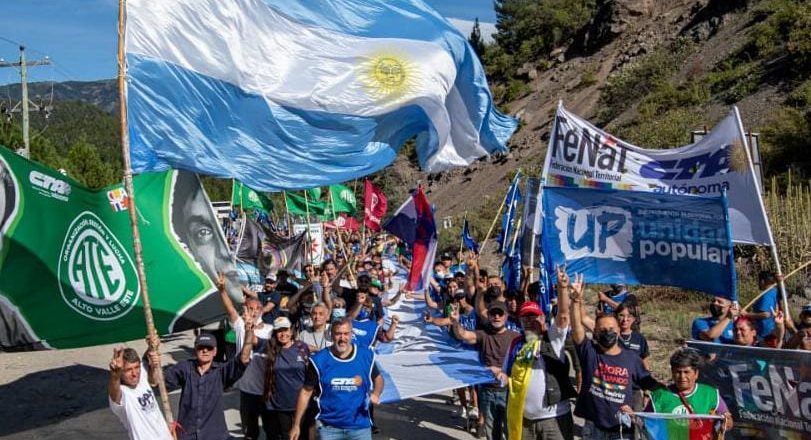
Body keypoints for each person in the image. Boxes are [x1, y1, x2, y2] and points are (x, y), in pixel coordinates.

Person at [569, 269, 660, 439]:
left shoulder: (631, 359)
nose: (607, 332)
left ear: (619, 330)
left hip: (621, 430)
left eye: (611, 329)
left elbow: (651, 384)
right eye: (602, 329)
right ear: (595, 332)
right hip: (594, 428)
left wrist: (680, 392)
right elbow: (576, 328)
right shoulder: (590, 353)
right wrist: (575, 300)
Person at [147, 328, 255, 440]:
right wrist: (153, 361)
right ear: (195, 350)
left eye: (209, 348)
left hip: (215, 436)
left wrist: (248, 332)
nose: (205, 351)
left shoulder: (220, 372)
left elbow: (244, 359)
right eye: (201, 347)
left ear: (215, 351)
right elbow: (156, 382)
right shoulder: (185, 368)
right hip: (187, 435)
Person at [169, 171, 242, 332]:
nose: (224, 252)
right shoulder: (182, 317)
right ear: (187, 247)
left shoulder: (253, 309)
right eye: (203, 233)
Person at [289, 318, 384, 440]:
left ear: (351, 334)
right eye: (338, 334)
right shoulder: (319, 360)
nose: (342, 338)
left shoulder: (365, 355)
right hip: (329, 428)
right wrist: (296, 424)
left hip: (360, 427)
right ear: (331, 334)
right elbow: (305, 392)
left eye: (346, 334)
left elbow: (378, 378)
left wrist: (376, 393)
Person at [500, 289, 575, 440]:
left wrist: (562, 288)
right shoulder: (516, 344)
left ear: (542, 318)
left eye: (533, 318)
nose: (529, 322)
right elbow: (506, 374)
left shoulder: (553, 338)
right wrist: (501, 376)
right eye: (525, 319)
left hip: (554, 418)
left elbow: (563, 316)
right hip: (525, 419)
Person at [451, 300, 520, 440]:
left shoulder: (515, 337)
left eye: (500, 313)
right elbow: (463, 335)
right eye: (493, 313)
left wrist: (501, 371)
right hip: (487, 391)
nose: (497, 317)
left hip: (509, 391)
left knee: (510, 431)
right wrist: (455, 322)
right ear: (488, 316)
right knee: (491, 431)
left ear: (506, 316)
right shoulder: (483, 334)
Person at [217, 272, 273, 440]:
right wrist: (222, 290)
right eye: (250, 308)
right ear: (244, 310)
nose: (254, 311)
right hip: (247, 389)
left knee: (271, 429)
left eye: (257, 309)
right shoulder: (240, 325)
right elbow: (229, 309)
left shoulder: (270, 330)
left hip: (267, 388)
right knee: (250, 432)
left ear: (262, 310)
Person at [644, 348, 733, 432]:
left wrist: (725, 423)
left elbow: (729, 422)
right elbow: (646, 423)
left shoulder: (710, 394)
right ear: (672, 372)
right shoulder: (659, 395)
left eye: (686, 372)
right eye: (678, 372)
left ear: (696, 373)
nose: (682, 377)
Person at [264, 316, 312, 440]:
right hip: (281, 404)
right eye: (279, 331)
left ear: (291, 331)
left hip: (302, 403)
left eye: (285, 330)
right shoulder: (271, 349)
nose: (283, 334)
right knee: (287, 436)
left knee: (303, 436)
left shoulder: (302, 348)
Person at [108, 347, 173, 440]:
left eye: (136, 367)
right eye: (128, 370)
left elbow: (147, 357)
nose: (134, 373)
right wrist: (115, 375)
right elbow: (114, 394)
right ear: (121, 372)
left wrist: (151, 346)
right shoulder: (123, 394)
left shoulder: (142, 375)